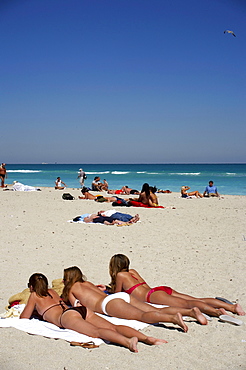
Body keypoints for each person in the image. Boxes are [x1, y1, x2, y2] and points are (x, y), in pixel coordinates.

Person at [20, 273, 167, 352]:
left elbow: (24, 317)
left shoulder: (33, 296)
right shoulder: (52, 291)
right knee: (112, 327)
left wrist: (36, 311)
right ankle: (148, 339)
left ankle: (128, 342)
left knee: (97, 332)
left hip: (67, 317)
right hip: (79, 309)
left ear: (31, 287)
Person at [62, 266, 210, 331]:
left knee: (142, 316)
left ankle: (173, 319)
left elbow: (77, 306)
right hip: (119, 296)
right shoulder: (86, 283)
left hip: (107, 304)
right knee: (154, 309)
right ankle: (190, 312)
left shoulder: (71, 288)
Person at [109, 254, 245, 318]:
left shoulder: (120, 276)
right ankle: (231, 306)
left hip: (152, 296)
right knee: (196, 299)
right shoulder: (132, 272)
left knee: (189, 304)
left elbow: (118, 294)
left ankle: (220, 311)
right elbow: (144, 285)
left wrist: (109, 288)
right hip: (158, 290)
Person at [73, 211, 140, 225]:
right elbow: (88, 220)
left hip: (98, 217)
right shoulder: (84, 217)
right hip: (97, 218)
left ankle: (129, 221)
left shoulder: (85, 216)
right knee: (112, 220)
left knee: (114, 220)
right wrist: (95, 216)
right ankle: (128, 222)